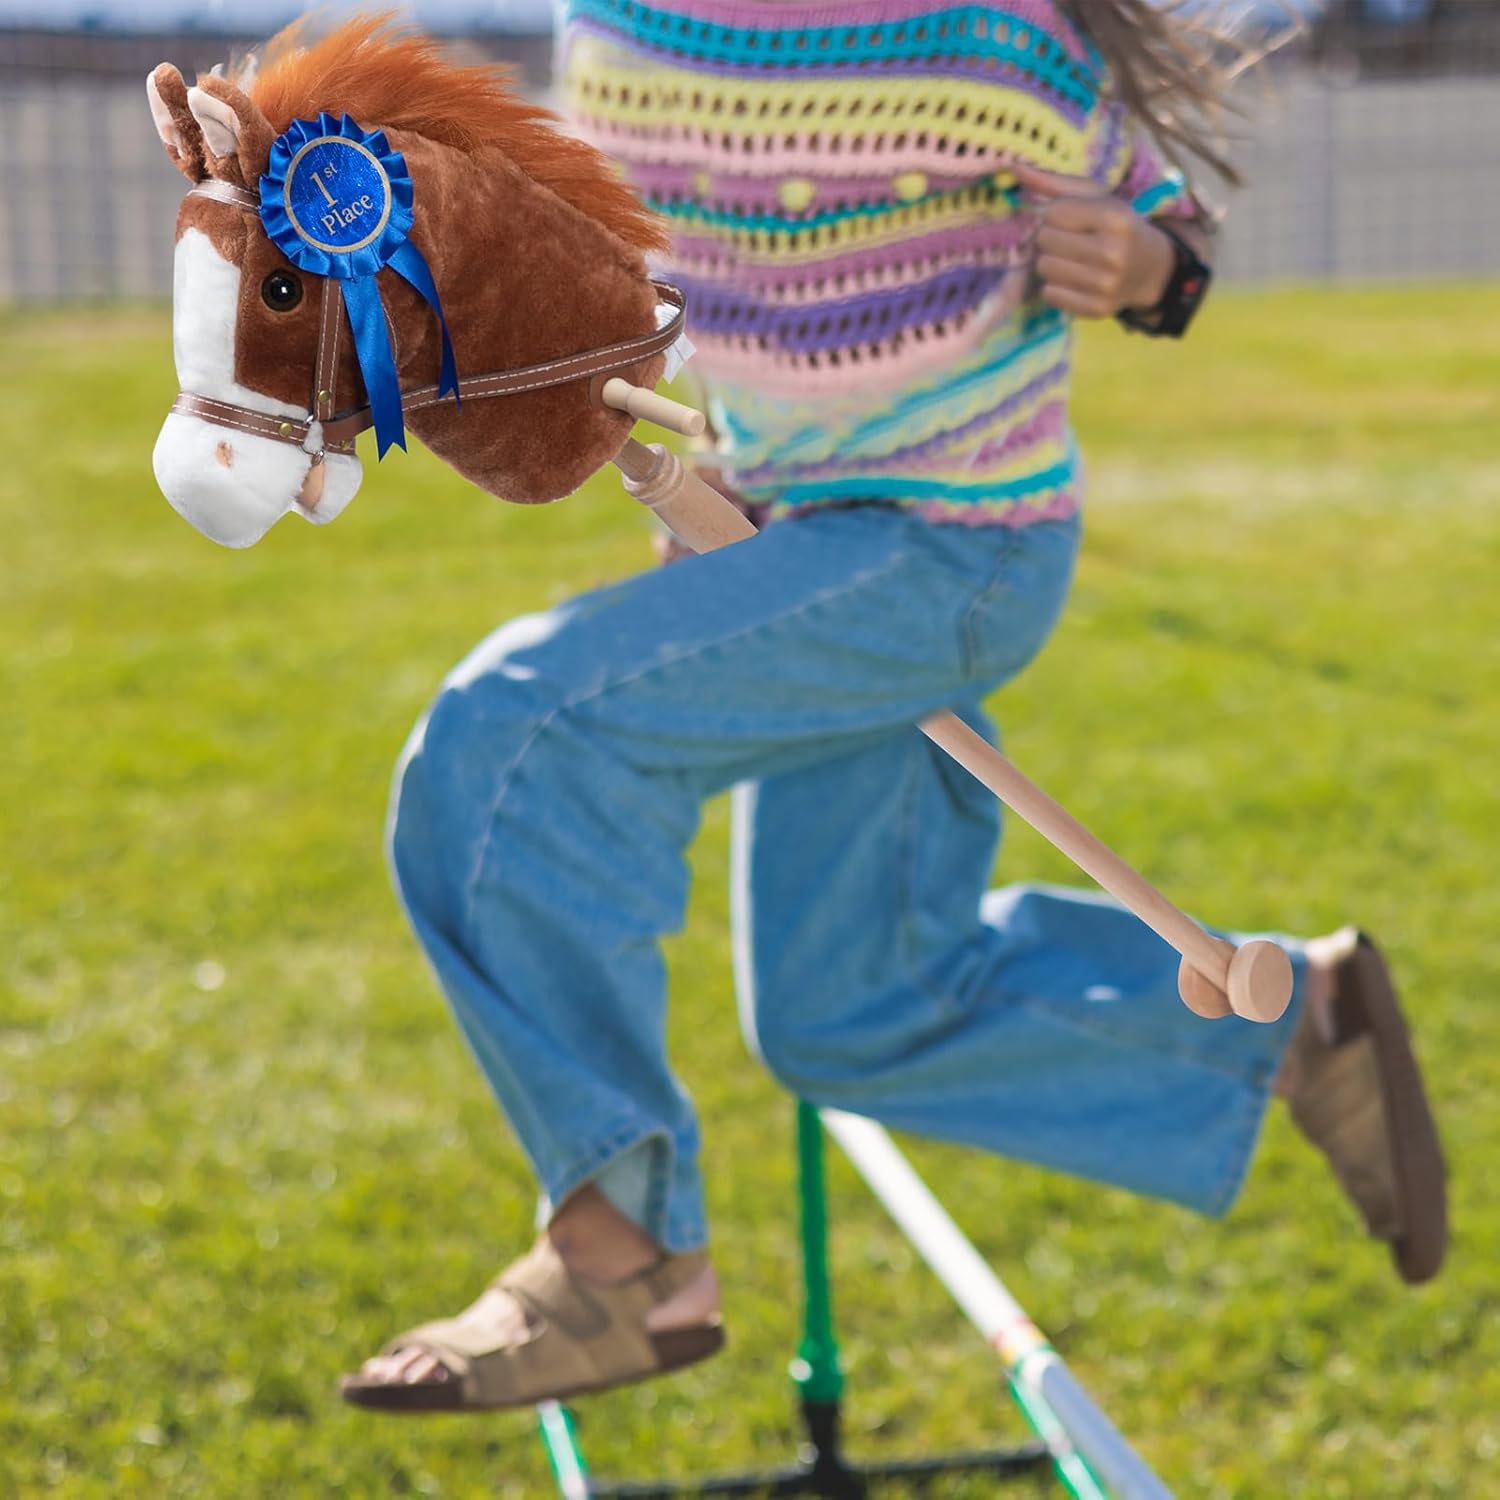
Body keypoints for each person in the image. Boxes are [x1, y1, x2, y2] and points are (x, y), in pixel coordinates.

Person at [341, 0, 1446, 1413]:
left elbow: (1168, 234)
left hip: (953, 547)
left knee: (514, 739)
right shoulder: (617, 28)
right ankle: (1295, 1022)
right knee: (844, 1011)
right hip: (791, 542)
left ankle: (622, 1257)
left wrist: (1147, 263)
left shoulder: (990, 38)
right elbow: (637, 259)